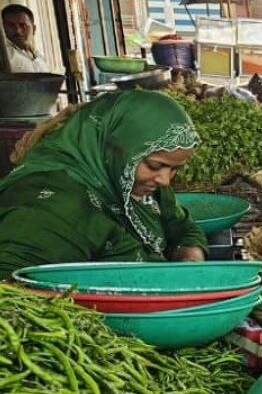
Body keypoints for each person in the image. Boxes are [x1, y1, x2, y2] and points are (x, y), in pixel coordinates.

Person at [0, 91, 206, 278]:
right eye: (155, 165)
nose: (165, 180)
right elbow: (12, 289)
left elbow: (182, 227)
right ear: (116, 150)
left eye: (174, 169)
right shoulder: (49, 206)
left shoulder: (142, 187)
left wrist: (190, 260)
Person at [2, 3, 50, 73]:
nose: (18, 31)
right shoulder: (5, 55)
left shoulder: (40, 57)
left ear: (34, 29)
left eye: (23, 25)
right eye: (11, 26)